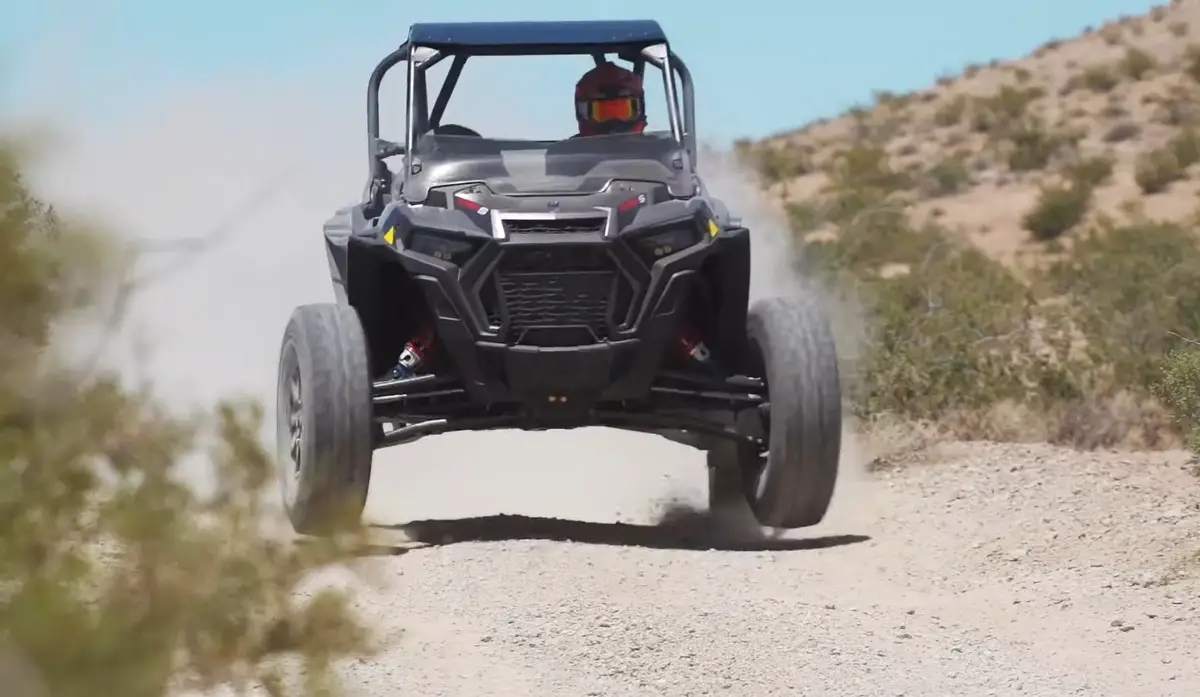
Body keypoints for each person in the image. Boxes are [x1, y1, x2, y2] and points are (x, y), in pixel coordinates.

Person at [574, 61, 647, 137]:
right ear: (581, 112)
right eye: (602, 112)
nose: (614, 124)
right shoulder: (571, 148)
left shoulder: (655, 147)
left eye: (623, 111)